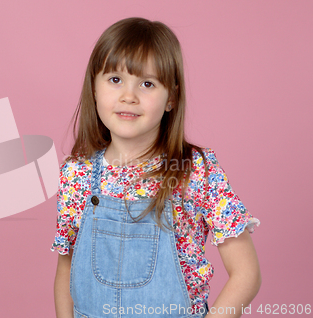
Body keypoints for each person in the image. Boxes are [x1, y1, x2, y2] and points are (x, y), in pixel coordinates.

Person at [51, 17, 261, 318]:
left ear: (171, 98)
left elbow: (246, 274)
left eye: (147, 83)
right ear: (94, 88)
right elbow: (66, 269)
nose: (129, 96)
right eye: (115, 79)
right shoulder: (77, 174)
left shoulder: (194, 171)